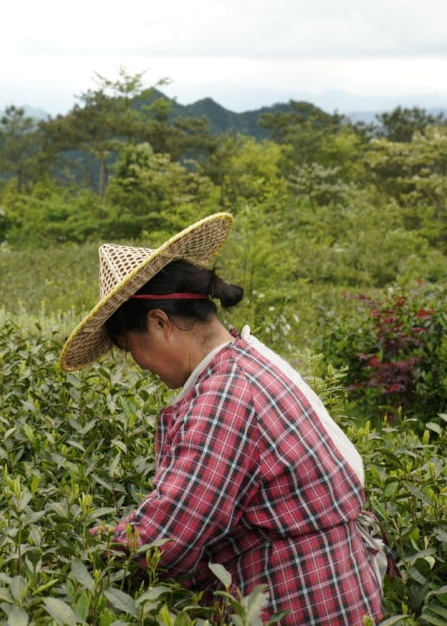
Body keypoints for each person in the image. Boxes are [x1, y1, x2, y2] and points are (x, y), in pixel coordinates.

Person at [59, 212, 386, 625]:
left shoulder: (225, 395)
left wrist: (72, 552)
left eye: (129, 348)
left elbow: (167, 536)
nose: (138, 365)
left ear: (159, 324)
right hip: (338, 590)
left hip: (302, 603)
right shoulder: (244, 358)